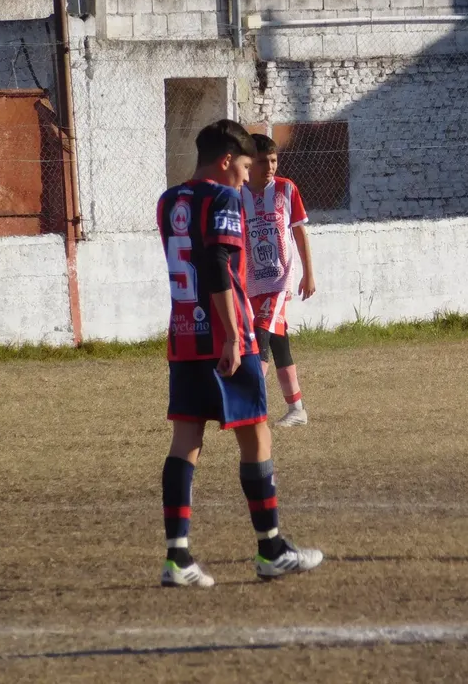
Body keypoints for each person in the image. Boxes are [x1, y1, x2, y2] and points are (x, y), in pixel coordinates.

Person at [156, 119, 324, 588]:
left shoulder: (169, 201)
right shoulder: (225, 198)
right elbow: (215, 264)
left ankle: (177, 558)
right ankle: (271, 549)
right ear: (228, 160)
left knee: (186, 442)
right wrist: (233, 334)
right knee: (257, 437)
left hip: (184, 334)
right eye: (245, 166)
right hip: (225, 336)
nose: (247, 178)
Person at [241, 134, 316, 427]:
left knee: (259, 337)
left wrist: (309, 273)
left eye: (273, 160)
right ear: (249, 162)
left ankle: (249, 408)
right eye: (263, 161)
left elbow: (298, 232)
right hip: (251, 283)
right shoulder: (238, 194)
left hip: (279, 281)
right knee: (279, 343)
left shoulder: (286, 189)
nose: (270, 166)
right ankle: (297, 409)